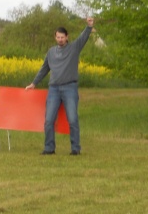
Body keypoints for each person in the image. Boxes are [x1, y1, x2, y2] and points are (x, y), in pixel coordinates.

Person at [25, 17, 95, 155]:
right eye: (58, 37)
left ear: (67, 37)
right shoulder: (51, 52)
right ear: (55, 37)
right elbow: (44, 68)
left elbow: (83, 38)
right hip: (54, 89)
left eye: (62, 37)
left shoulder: (74, 48)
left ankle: (75, 149)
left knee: (73, 119)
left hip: (70, 88)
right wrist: (34, 83)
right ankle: (49, 148)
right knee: (49, 120)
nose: (60, 39)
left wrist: (89, 26)